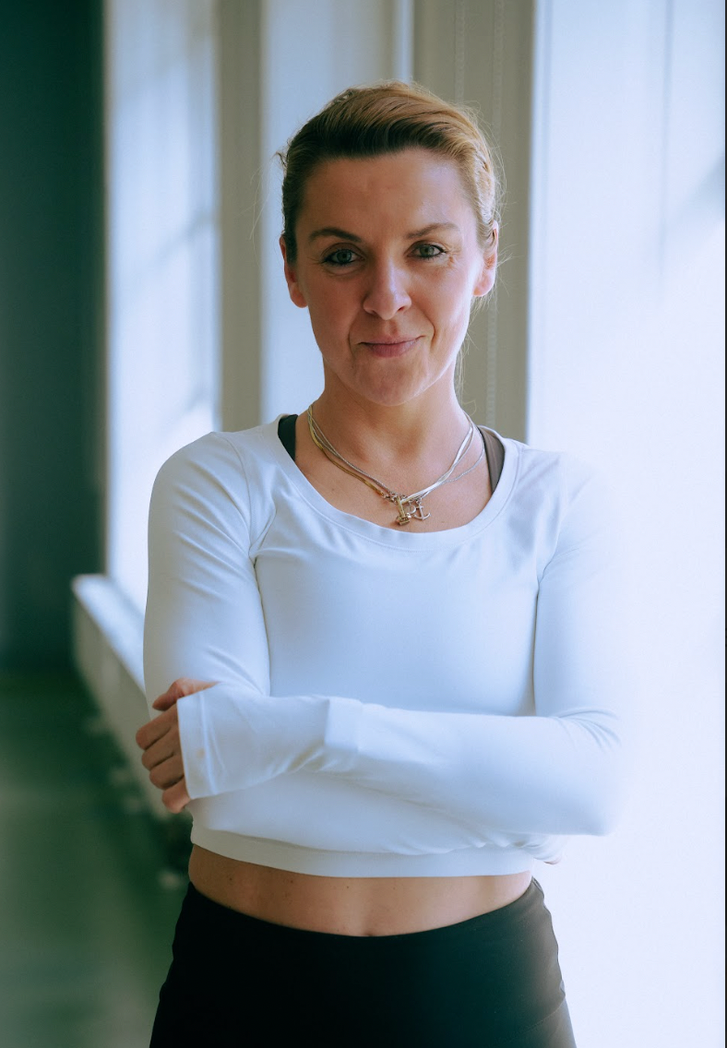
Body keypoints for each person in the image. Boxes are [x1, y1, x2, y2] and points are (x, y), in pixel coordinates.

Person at [136, 81, 630, 1047]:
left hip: (487, 996)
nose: (385, 297)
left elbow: (592, 788)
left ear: (485, 259)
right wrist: (507, 794)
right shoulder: (218, 483)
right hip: (246, 990)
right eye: (341, 256)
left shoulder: (560, 503)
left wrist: (302, 728)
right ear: (292, 269)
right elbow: (222, 785)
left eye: (427, 250)